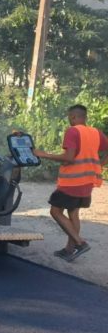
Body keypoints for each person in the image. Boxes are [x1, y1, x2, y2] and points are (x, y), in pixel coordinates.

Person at [34, 103, 108, 262]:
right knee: (73, 212)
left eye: (69, 117)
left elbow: (68, 158)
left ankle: (80, 243)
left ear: (73, 117)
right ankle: (69, 250)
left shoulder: (73, 131)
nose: (69, 120)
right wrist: (99, 165)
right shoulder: (96, 133)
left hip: (72, 181)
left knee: (55, 211)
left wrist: (43, 154)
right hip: (88, 181)